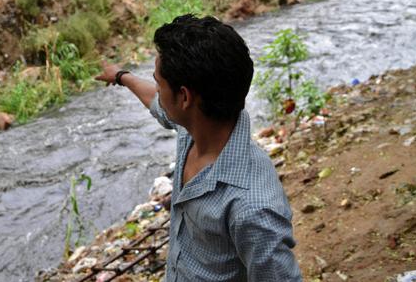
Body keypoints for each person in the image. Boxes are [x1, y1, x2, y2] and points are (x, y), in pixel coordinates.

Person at [95, 14, 302, 282]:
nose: (157, 91)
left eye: (159, 83)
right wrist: (121, 76)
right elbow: (157, 105)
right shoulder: (194, 128)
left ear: (184, 97)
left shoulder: (252, 207)